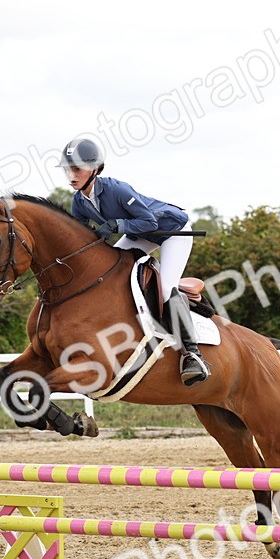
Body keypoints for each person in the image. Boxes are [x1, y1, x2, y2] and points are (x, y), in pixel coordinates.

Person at [57, 137, 212, 387]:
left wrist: (117, 225)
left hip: (171, 231)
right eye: (68, 170)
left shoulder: (117, 189)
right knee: (112, 272)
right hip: (139, 235)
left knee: (166, 287)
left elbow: (150, 222)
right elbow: (83, 239)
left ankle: (192, 354)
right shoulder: (79, 202)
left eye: (77, 169)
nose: (71, 176)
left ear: (95, 169)